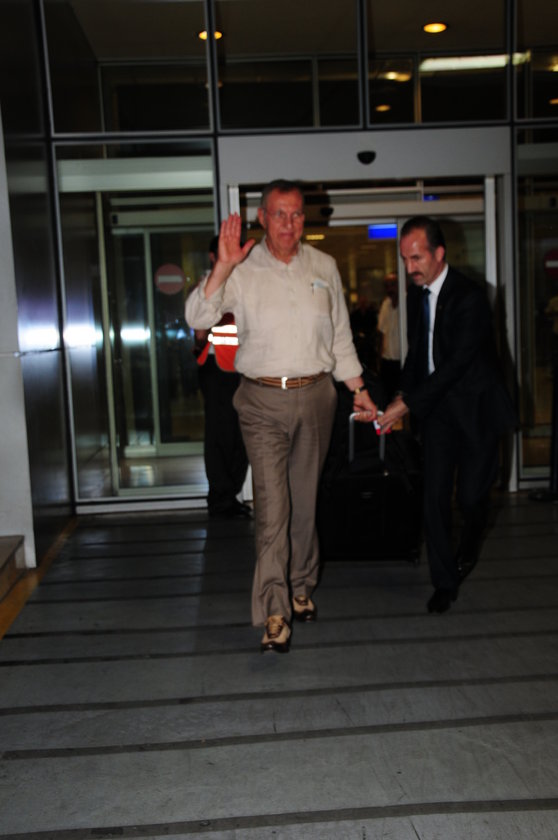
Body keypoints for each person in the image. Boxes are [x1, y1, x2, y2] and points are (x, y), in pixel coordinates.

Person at [186, 179, 377, 652]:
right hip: (262, 401)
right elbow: (197, 317)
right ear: (262, 218)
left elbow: (339, 336)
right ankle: (275, 611)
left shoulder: (324, 266)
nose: (288, 224)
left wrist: (358, 390)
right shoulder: (241, 267)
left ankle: (301, 585)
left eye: (296, 214)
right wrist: (222, 266)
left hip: (317, 396)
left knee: (305, 500)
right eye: (279, 214)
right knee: (273, 506)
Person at [379, 216, 517, 614]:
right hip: (439, 413)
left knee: (472, 498)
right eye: (405, 259)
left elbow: (456, 364)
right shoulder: (416, 296)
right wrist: (401, 393)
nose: (410, 267)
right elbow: (417, 355)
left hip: (475, 410)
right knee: (434, 495)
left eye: (416, 258)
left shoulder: (470, 297)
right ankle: (444, 581)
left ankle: (470, 544)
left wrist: (408, 404)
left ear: (439, 253)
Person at [192, 236, 250, 519]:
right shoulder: (208, 285)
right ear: (213, 258)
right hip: (217, 369)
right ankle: (221, 498)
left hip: (244, 369)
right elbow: (199, 331)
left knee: (242, 436)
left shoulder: (244, 283)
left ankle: (229, 495)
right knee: (220, 435)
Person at [377, 272, 401, 403]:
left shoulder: (407, 302)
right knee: (386, 398)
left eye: (392, 284)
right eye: (386, 286)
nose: (389, 288)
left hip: (402, 361)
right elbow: (381, 333)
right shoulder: (385, 304)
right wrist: (379, 359)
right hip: (387, 361)